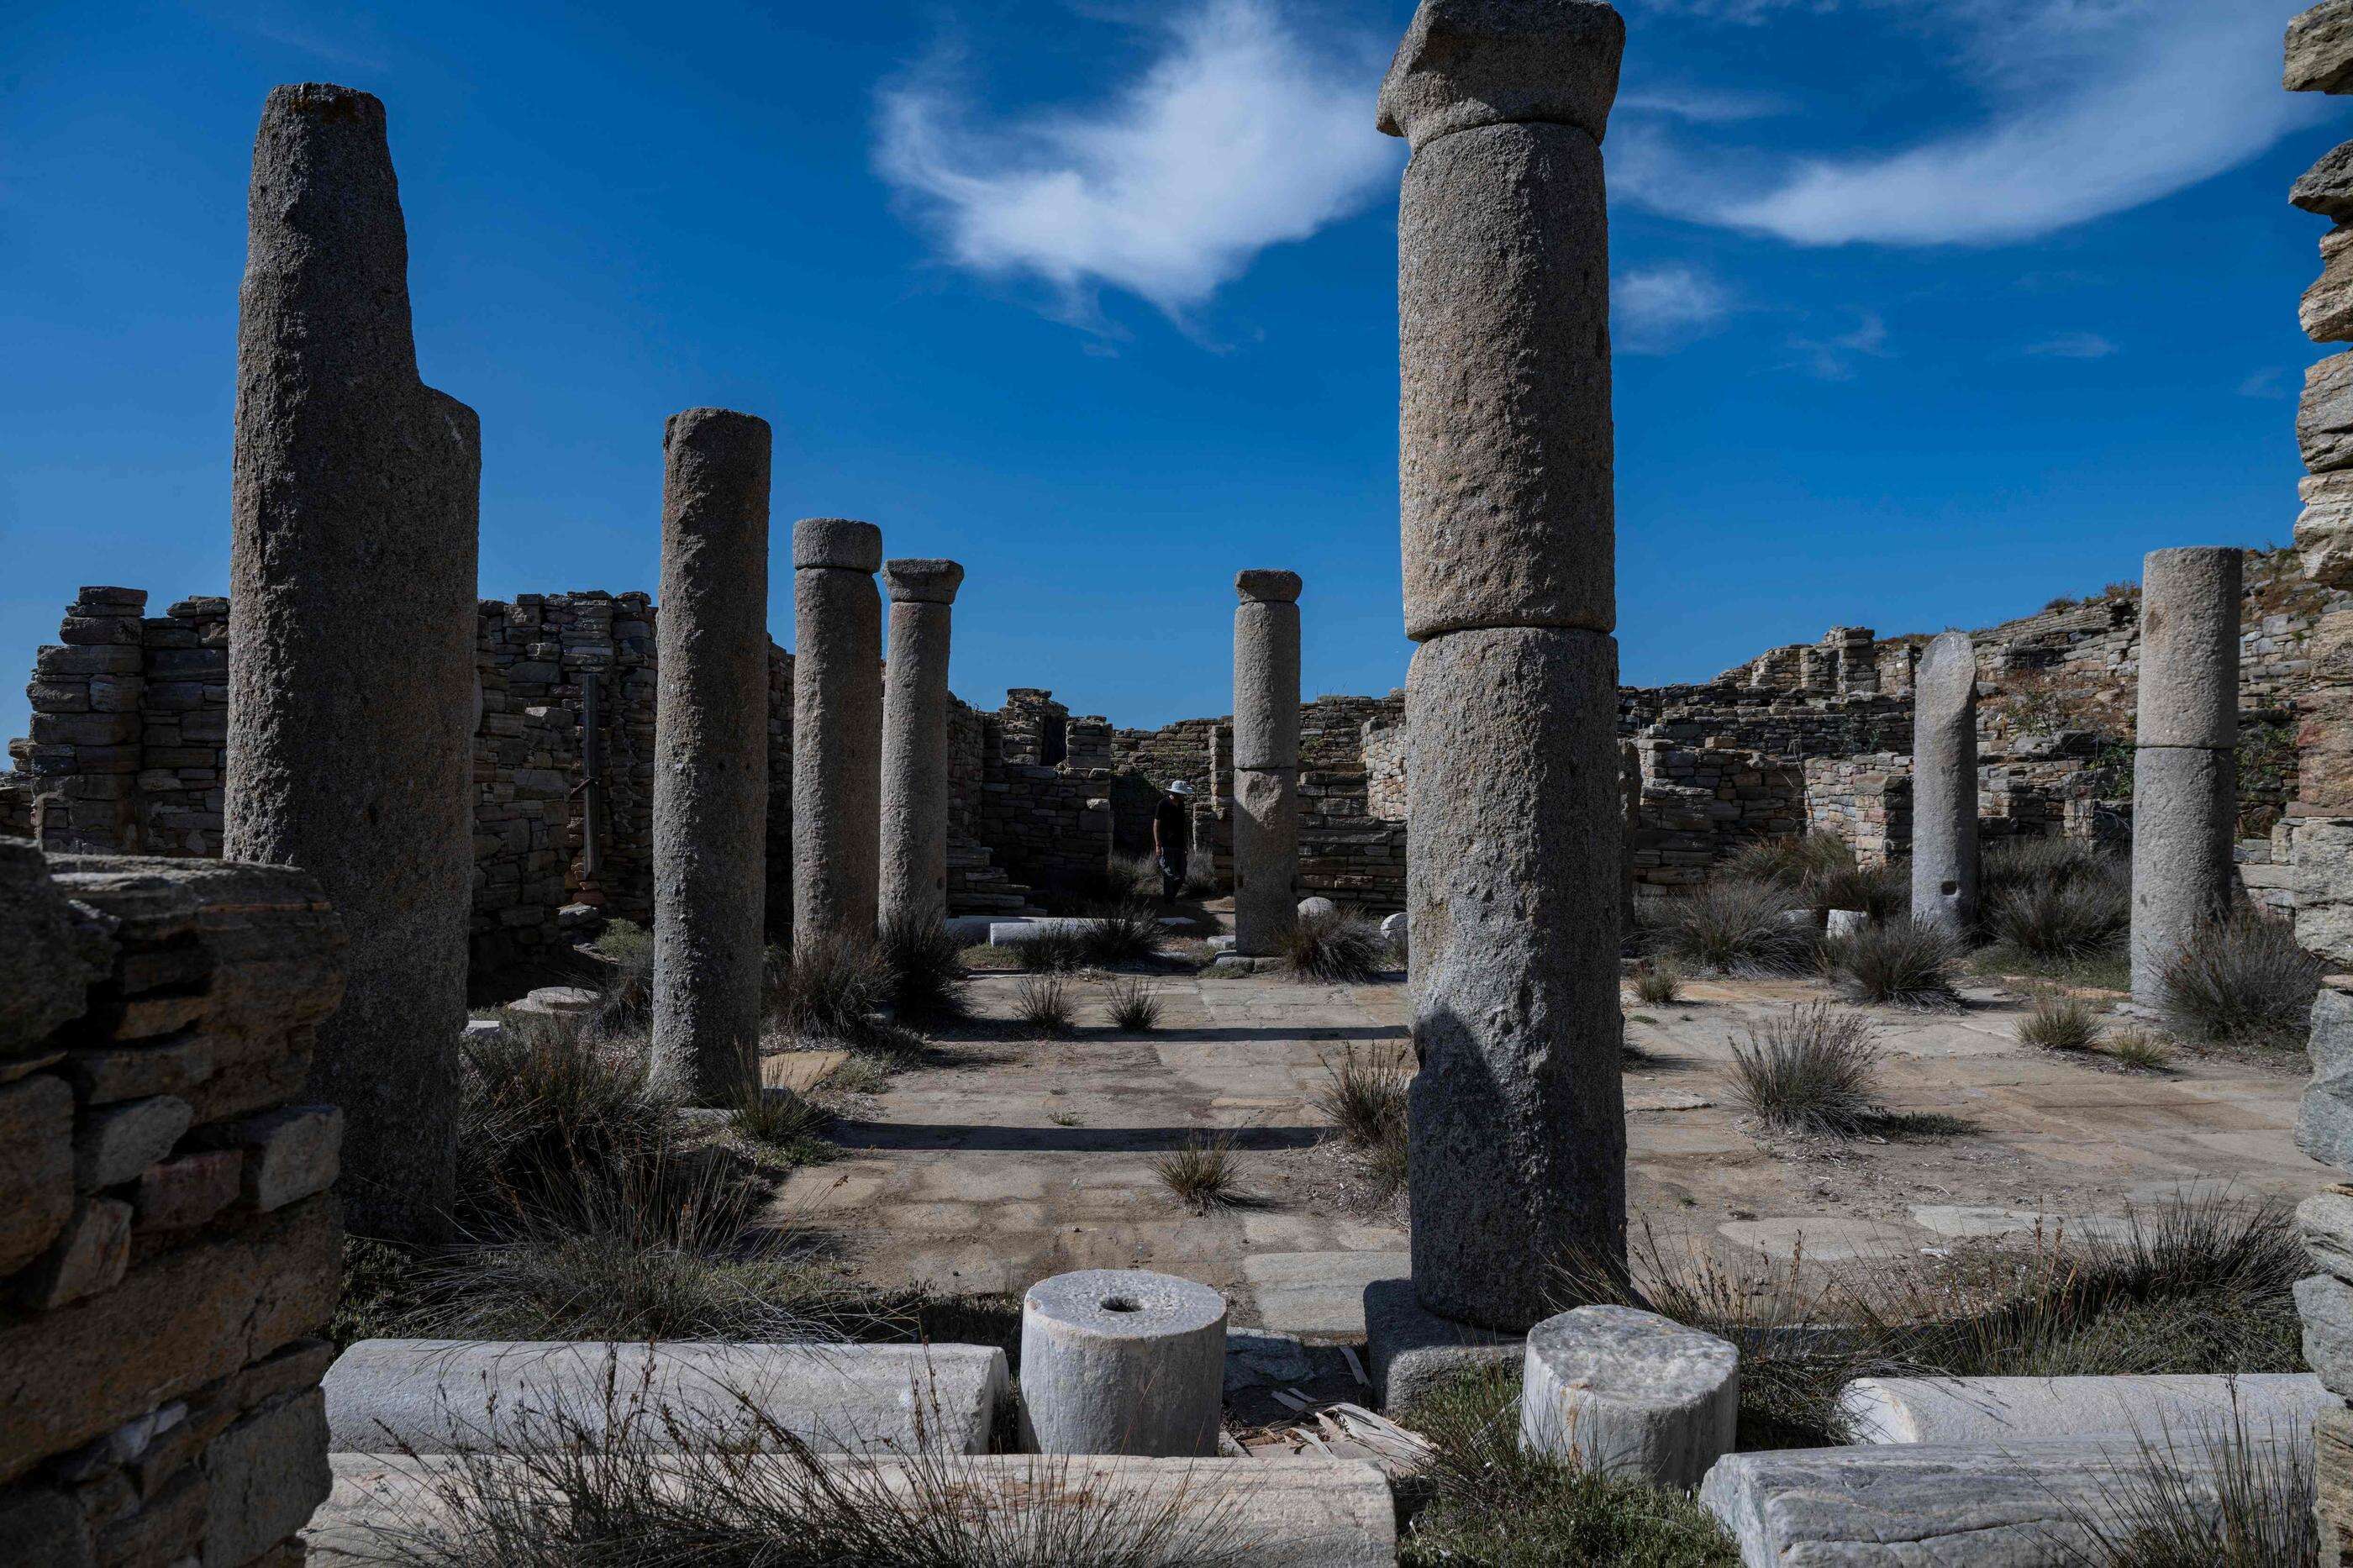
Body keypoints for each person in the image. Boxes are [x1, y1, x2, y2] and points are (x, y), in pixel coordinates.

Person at [1153, 781, 1194, 904]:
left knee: (1181, 876)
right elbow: (1156, 825)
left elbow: (1182, 826)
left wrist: (1185, 844)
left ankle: (1171, 897)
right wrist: (1158, 845)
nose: (1184, 795)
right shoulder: (1163, 804)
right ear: (1175, 793)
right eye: (1182, 793)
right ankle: (1169, 901)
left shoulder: (1181, 804)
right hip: (1166, 844)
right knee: (1169, 875)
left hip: (1180, 845)